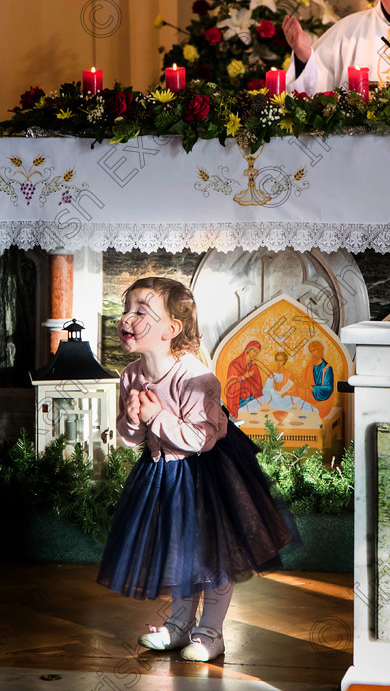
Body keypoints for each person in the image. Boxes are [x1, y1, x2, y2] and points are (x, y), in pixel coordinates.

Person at [97, 277, 296, 662]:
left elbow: (198, 439)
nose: (126, 318)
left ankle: (211, 631)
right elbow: (130, 437)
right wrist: (136, 420)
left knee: (210, 556)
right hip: (161, 476)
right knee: (178, 552)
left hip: (205, 475)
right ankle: (179, 623)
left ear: (171, 329)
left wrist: (155, 417)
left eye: (141, 311)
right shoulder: (131, 375)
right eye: (126, 309)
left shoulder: (194, 377)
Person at [295, 340, 334, 419]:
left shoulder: (327, 368)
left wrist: (311, 387)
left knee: (313, 412)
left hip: (323, 400)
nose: (312, 353)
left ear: (320, 351)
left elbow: (329, 388)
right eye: (311, 351)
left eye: (314, 350)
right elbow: (303, 379)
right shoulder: (310, 365)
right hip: (309, 397)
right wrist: (297, 381)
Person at [225, 339, 263, 417]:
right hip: (239, 397)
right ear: (248, 350)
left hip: (250, 397)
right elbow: (231, 382)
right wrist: (245, 376)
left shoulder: (253, 367)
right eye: (254, 351)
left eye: (257, 352)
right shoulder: (235, 363)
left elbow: (258, 384)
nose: (255, 354)